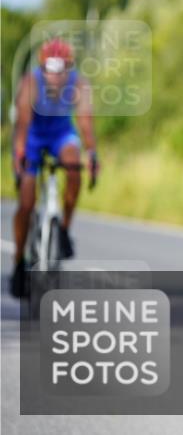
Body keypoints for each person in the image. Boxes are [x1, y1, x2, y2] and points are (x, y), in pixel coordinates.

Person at [9, 38, 99, 298]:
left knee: (74, 169)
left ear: (69, 69)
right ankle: (18, 261)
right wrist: (21, 153)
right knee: (26, 201)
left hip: (61, 134)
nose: (55, 77)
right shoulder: (30, 82)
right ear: (42, 67)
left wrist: (92, 152)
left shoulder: (78, 84)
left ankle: (63, 232)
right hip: (34, 136)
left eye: (62, 70)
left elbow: (84, 121)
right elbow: (23, 123)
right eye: (50, 69)